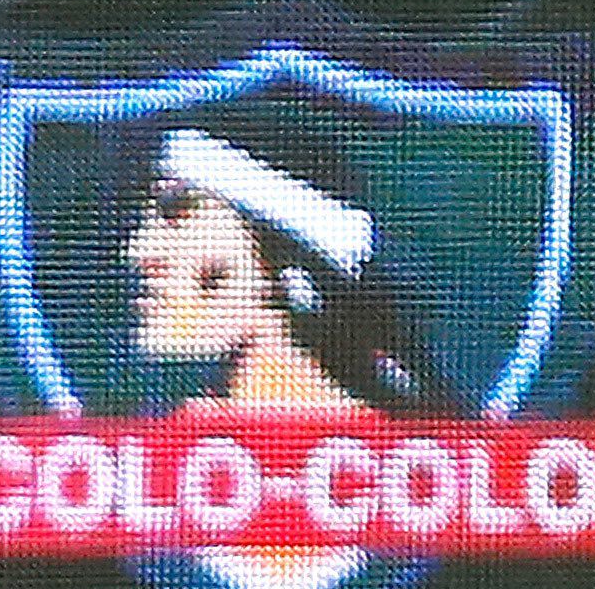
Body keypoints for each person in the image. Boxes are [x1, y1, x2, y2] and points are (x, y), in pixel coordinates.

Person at [125, 125, 452, 413]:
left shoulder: (399, 460)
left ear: (280, 262)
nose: (139, 252)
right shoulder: (159, 449)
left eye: (177, 211)